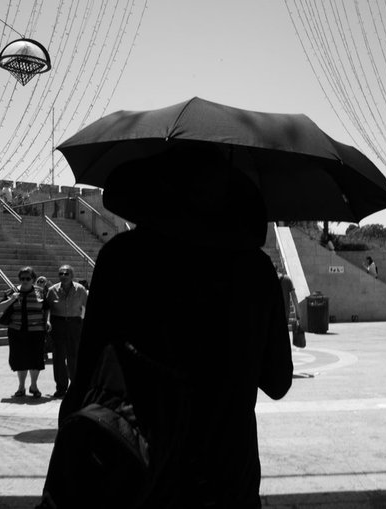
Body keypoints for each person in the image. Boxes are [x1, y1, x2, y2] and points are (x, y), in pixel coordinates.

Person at [52, 145, 293, 507]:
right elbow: (277, 382)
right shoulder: (256, 271)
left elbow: (85, 375)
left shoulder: (121, 257)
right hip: (226, 477)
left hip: (135, 471)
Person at [0, 267, 48, 398]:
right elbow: (0, 307)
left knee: (36, 359)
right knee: (20, 358)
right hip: (17, 331)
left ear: (33, 279)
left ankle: (34, 386)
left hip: (36, 331)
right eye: (22, 278)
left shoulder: (41, 292)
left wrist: (47, 321)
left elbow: (46, 308)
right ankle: (21, 387)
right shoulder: (11, 292)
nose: (25, 281)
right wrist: (12, 299)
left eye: (28, 278)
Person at [46, 265, 88, 398]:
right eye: (61, 274)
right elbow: (47, 309)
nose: (63, 276)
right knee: (58, 357)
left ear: (72, 275)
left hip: (74, 324)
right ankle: (61, 387)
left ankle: (75, 387)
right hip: (58, 324)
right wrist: (47, 321)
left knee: (74, 357)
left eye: (66, 274)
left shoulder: (80, 290)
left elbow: (88, 307)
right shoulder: (52, 290)